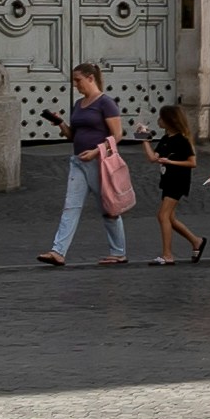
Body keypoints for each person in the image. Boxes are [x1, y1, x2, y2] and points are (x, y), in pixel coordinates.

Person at [38, 62, 131, 267]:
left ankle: (119, 252)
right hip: (79, 161)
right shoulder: (78, 104)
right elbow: (73, 135)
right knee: (70, 206)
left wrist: (97, 151)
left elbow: (117, 135)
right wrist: (61, 123)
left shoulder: (106, 103)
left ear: (91, 78)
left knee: (109, 207)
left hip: (100, 163)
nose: (75, 84)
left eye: (78, 80)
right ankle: (58, 251)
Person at [148, 103, 205, 261]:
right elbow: (153, 158)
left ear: (169, 121)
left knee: (162, 215)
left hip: (178, 181)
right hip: (167, 180)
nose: (158, 121)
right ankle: (196, 241)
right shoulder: (166, 139)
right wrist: (144, 140)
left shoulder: (182, 140)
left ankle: (168, 255)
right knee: (170, 218)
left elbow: (192, 162)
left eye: (161, 118)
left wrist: (171, 162)